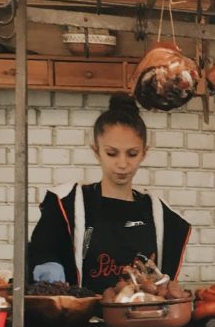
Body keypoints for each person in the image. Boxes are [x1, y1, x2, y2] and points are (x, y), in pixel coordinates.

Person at [28, 93, 191, 293]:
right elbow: (42, 251)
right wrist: (48, 269)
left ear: (144, 153)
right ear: (96, 151)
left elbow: (164, 284)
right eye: (111, 153)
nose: (122, 164)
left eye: (132, 154)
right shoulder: (67, 203)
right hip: (82, 320)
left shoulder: (160, 214)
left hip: (142, 318)